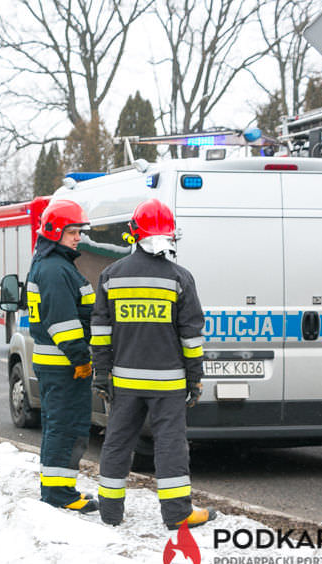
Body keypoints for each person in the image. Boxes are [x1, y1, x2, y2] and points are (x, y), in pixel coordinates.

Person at [91, 198, 216, 530]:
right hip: (168, 383)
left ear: (133, 234)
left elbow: (101, 332)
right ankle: (177, 514)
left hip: (125, 383)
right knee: (171, 446)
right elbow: (191, 337)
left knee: (117, 443)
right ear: (171, 236)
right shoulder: (180, 278)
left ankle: (110, 512)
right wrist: (195, 379)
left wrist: (101, 374)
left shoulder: (110, 276)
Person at [27, 199, 98, 514]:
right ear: (55, 231)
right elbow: (63, 324)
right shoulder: (56, 269)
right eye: (73, 231)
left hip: (57, 365)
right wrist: (81, 358)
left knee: (63, 427)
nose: (77, 237)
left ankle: (61, 489)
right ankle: (58, 494)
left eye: (78, 231)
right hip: (64, 366)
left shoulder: (52, 264)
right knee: (65, 428)